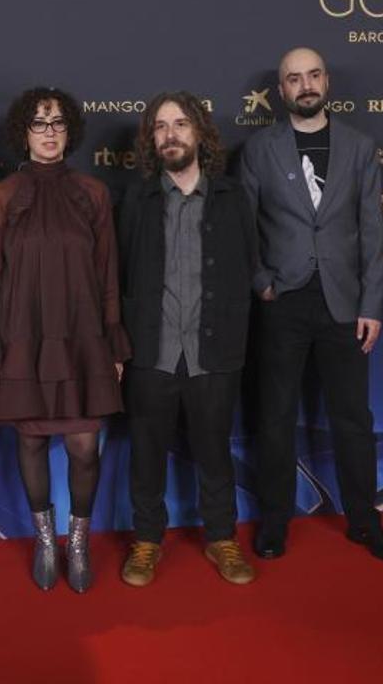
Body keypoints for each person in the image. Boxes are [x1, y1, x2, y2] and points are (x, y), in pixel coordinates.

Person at [239, 47, 383, 563]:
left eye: (313, 75)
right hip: (282, 302)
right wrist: (261, 282)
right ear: (281, 90)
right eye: (294, 78)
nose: (305, 85)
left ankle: (364, 522)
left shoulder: (359, 147)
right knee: (274, 418)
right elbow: (244, 226)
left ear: (326, 81)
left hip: (345, 303)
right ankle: (273, 522)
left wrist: (372, 303)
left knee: (353, 418)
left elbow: (373, 231)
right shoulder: (259, 149)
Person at [0, 87, 130, 593]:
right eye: (39, 125)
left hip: (84, 338)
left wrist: (113, 344)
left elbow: (108, 276)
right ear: (24, 132)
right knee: (32, 439)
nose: (49, 134)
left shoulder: (94, 193)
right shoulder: (0, 197)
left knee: (85, 446)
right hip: (22, 338)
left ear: (70, 132)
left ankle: (77, 541)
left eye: (58, 124)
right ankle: (45, 538)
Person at [117, 91, 259, 587]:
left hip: (213, 351)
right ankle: (146, 542)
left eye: (179, 124)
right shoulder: (136, 199)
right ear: (151, 139)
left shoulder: (232, 196)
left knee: (215, 451)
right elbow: (120, 273)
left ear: (199, 131)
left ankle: (222, 538)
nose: (170, 134)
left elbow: (249, 266)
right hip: (151, 350)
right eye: (160, 127)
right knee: (146, 453)